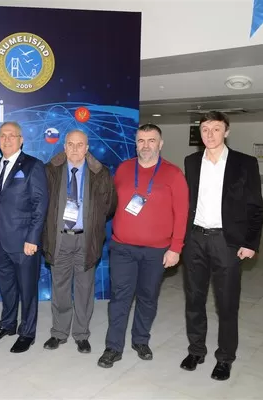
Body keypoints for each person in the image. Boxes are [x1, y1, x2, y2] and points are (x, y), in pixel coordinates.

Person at [180, 111, 263, 381]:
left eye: (216, 129)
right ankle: (196, 350)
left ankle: (225, 358)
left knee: (227, 303)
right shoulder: (192, 162)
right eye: (205, 129)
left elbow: (256, 207)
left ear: (226, 132)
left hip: (226, 242)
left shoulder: (245, 163)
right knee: (194, 299)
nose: (210, 134)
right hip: (195, 239)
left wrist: (250, 243)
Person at [98, 123, 189, 368]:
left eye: (151, 140)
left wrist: (176, 248)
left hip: (157, 251)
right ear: (135, 143)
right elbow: (111, 203)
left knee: (148, 297)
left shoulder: (173, 174)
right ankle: (113, 347)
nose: (146, 145)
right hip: (122, 248)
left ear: (160, 144)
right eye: (141, 140)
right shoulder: (124, 169)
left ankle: (140, 340)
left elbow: (182, 214)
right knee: (120, 298)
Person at [42, 130, 116, 354]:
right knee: (60, 289)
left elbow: (109, 205)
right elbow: (41, 203)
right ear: (64, 147)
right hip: (60, 239)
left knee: (84, 290)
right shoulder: (50, 171)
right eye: (71, 144)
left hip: (86, 239)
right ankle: (59, 332)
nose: (75, 148)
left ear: (87, 148)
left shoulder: (100, 173)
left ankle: (82, 334)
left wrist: (93, 221)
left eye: (80, 144)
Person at [0, 121, 49, 353]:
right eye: (3, 135)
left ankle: (27, 333)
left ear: (21, 140)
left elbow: (40, 205)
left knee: (27, 290)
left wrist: (33, 239)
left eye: (12, 135)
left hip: (24, 242)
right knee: (7, 287)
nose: (7, 139)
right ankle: (7, 324)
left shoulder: (33, 165)